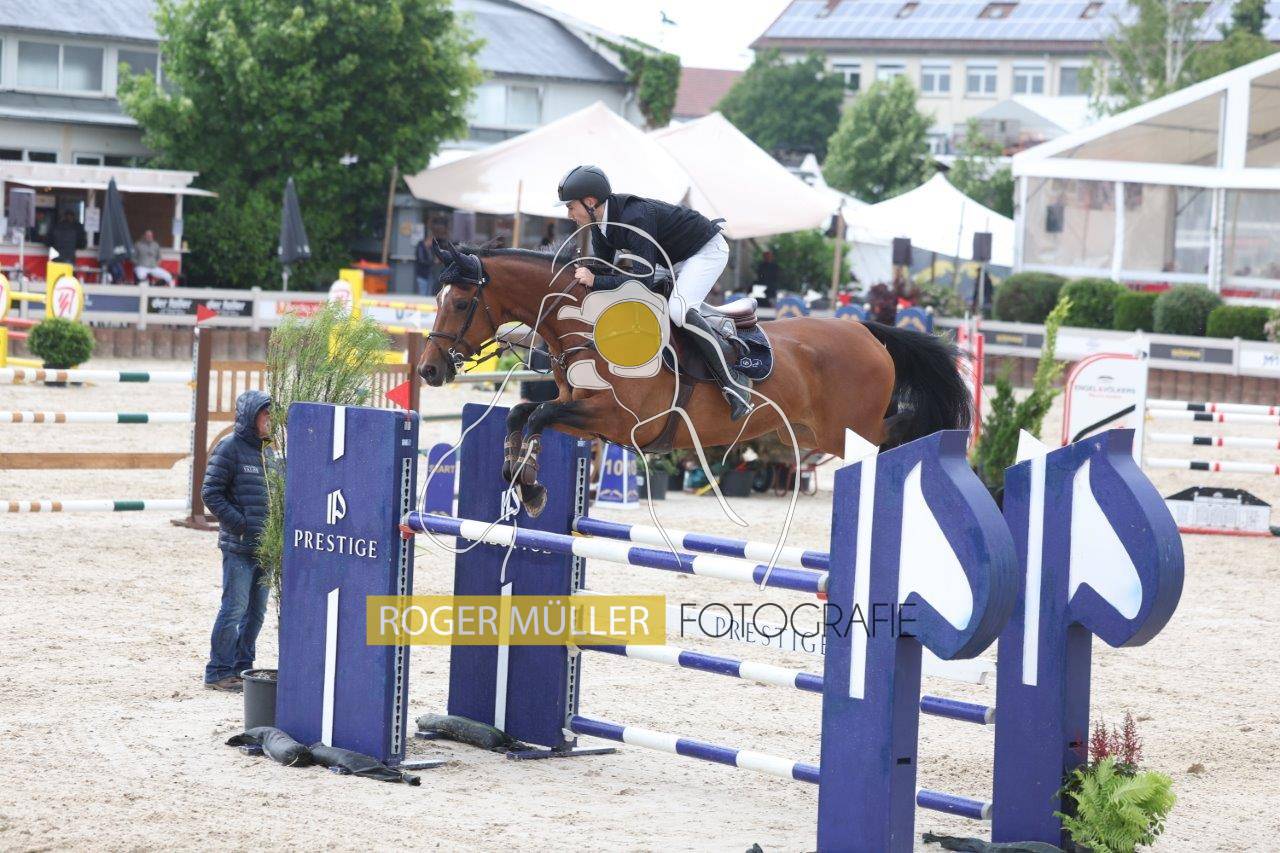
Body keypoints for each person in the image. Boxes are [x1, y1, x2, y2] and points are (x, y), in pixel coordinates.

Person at [557, 164, 751, 421]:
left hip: (704, 251)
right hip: (668, 260)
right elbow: (606, 269)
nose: (569, 214)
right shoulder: (599, 224)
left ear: (590, 202)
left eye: (571, 207)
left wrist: (595, 279)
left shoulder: (635, 217)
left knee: (678, 310)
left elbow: (642, 282)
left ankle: (733, 382)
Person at [201, 390, 274, 692]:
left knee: (256, 613)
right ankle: (218, 671)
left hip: (265, 549)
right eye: (265, 414)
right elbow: (211, 493)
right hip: (239, 547)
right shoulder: (229, 447)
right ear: (250, 416)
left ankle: (243, 667)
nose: (270, 419)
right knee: (234, 609)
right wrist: (240, 524)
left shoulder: (269, 453)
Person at [414, 230, 437, 296]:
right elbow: (421, 260)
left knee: (429, 293)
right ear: (428, 240)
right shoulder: (420, 247)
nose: (432, 243)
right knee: (423, 293)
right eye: (432, 241)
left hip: (430, 273)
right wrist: (433, 262)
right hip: (422, 274)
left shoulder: (430, 249)